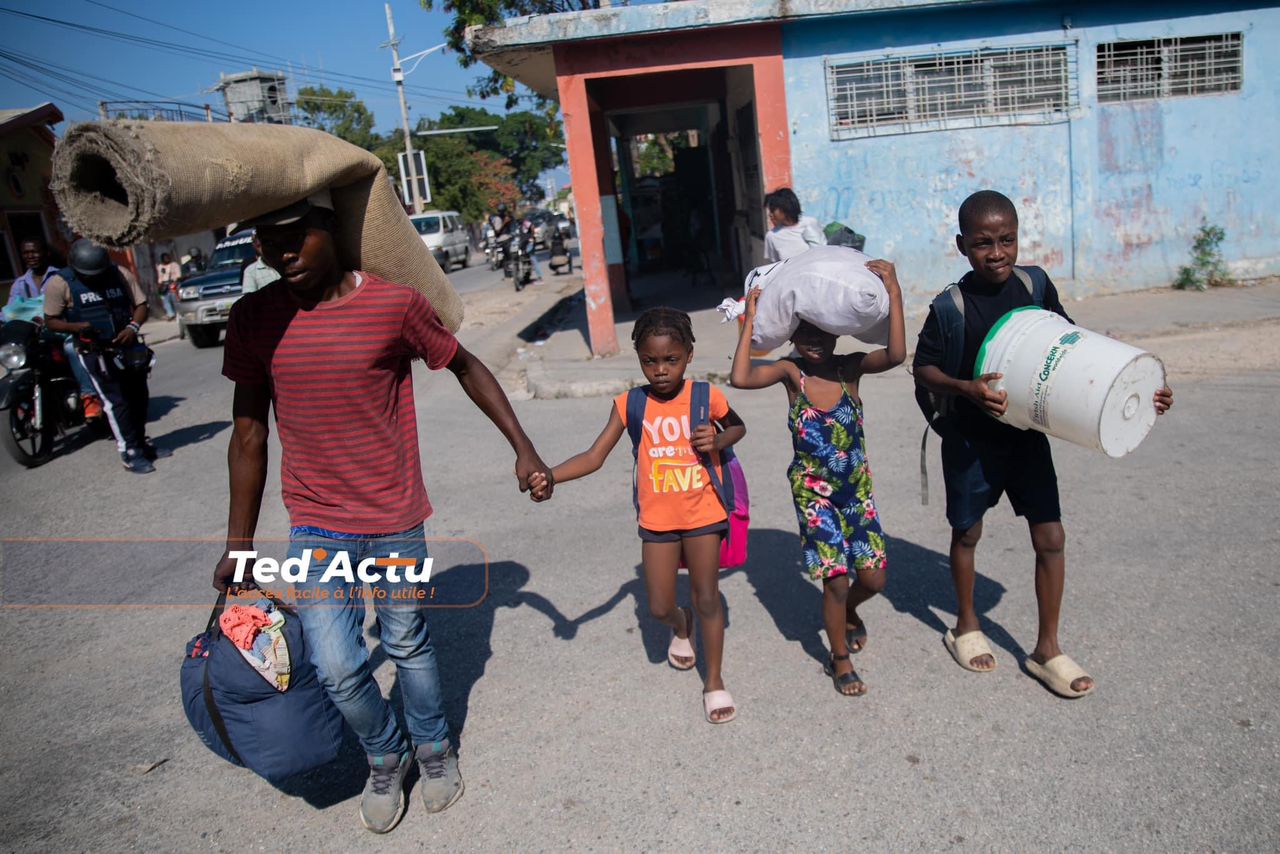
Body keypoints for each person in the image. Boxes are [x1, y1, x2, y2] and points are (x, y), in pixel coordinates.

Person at [212, 190, 553, 834]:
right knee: (337, 662)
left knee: (403, 641)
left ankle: (434, 747)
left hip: (395, 517)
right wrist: (239, 543)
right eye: (265, 240)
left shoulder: (392, 305)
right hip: (315, 522)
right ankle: (384, 754)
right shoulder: (254, 318)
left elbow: (465, 364)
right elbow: (249, 433)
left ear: (331, 230)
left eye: (294, 235)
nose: (280, 251)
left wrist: (524, 448)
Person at [912, 190, 1174, 698]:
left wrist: (1140, 393)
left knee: (1051, 538)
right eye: (983, 243)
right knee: (967, 535)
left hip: (1027, 437)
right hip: (972, 440)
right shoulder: (950, 306)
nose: (997, 253)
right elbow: (923, 368)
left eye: (1006, 240)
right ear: (962, 244)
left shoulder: (1035, 284)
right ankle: (966, 625)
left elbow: (1069, 344)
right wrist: (966, 388)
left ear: (1018, 237)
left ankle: (1046, 649)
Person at [528, 308, 746, 724]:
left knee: (706, 597)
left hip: (703, 512)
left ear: (689, 355)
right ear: (639, 358)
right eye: (650, 361)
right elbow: (595, 456)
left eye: (671, 360)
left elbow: (738, 428)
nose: (661, 370)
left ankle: (714, 681)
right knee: (660, 605)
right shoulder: (631, 404)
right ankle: (681, 625)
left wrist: (717, 439)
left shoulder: (705, 396)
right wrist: (551, 476)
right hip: (657, 521)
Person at [729, 260, 905, 696]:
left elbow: (897, 355)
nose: (812, 339)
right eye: (802, 330)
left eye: (821, 329)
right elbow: (741, 376)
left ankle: (847, 612)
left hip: (857, 492)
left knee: (874, 580)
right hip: (814, 495)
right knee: (837, 580)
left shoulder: (850, 369)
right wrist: (750, 320)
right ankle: (838, 657)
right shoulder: (793, 375)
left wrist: (894, 293)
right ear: (790, 333)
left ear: (837, 329)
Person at [43, 240, 165, 473]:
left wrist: (133, 328)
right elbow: (51, 320)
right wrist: (78, 327)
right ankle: (129, 452)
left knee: (138, 397)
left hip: (128, 347)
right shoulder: (60, 283)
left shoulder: (119, 273)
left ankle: (142, 444)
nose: (95, 279)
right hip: (94, 352)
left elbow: (141, 304)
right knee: (116, 401)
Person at [763, 188, 825, 263]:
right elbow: (775, 266)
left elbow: (823, 251)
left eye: (772, 210)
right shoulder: (772, 236)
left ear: (785, 208)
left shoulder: (810, 223)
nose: (770, 214)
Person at [155, 252, 181, 320]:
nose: (166, 259)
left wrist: (175, 282)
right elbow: (160, 276)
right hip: (164, 285)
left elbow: (178, 275)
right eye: (165, 258)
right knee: (165, 300)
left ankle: (178, 313)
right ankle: (170, 314)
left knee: (174, 298)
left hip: (172, 283)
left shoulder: (174, 265)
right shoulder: (160, 267)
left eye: (167, 258)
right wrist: (159, 285)